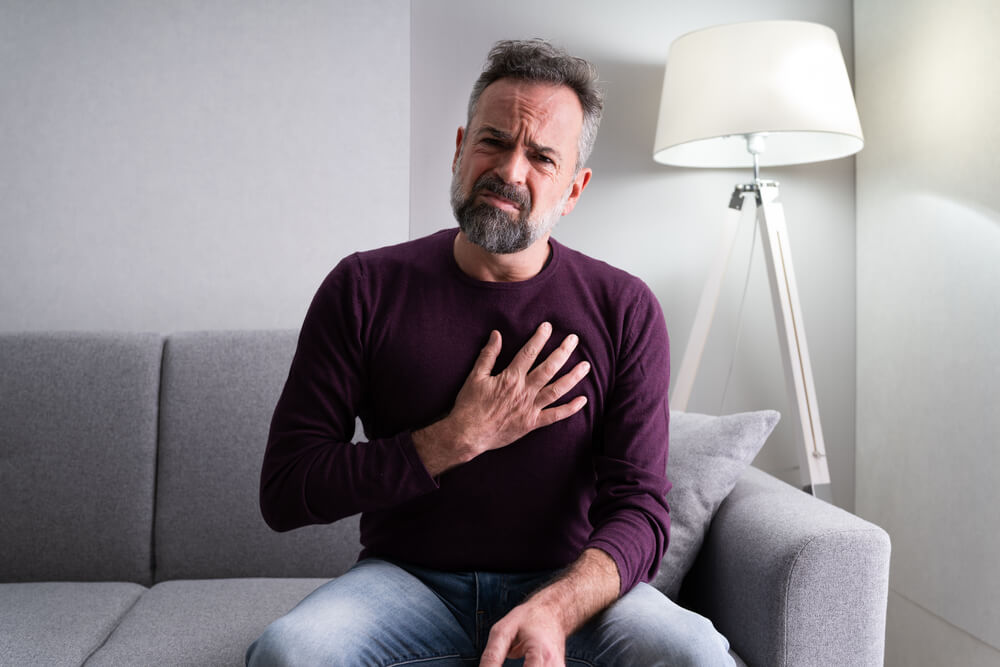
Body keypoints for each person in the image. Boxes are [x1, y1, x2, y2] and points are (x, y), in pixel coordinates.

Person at [246, 39, 734, 666]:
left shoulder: (625, 307)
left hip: (566, 587)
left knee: (695, 653)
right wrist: (453, 438)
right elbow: (285, 490)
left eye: (541, 156)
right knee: (291, 652)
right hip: (407, 583)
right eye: (493, 141)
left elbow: (639, 508)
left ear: (574, 188)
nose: (509, 171)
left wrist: (555, 609)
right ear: (458, 148)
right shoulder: (363, 288)